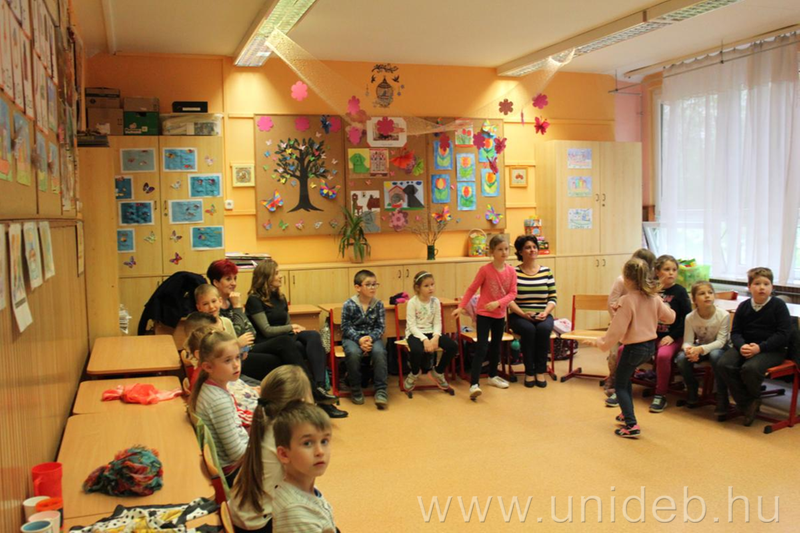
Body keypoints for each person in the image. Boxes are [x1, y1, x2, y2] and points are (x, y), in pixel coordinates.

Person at [583, 259, 675, 438]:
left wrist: (600, 342)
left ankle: (631, 425)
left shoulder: (627, 300)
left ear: (626, 279)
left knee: (620, 385)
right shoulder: (654, 298)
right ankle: (626, 413)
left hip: (633, 348)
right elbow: (670, 318)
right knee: (625, 380)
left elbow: (616, 331)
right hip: (650, 348)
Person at [245, 260, 345, 418]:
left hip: (283, 339)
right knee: (287, 342)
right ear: (266, 276)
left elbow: (286, 323)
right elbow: (267, 330)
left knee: (313, 335)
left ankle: (320, 389)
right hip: (266, 342)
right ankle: (315, 392)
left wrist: (291, 329)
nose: (280, 276)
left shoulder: (280, 297)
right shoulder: (254, 300)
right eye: (276, 273)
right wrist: (291, 328)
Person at [229, 366, 314, 533]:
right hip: (258, 524)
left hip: (242, 515)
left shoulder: (265, 418)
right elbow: (304, 494)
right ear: (302, 402)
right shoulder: (289, 438)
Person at [716, 267, 792, 426]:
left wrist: (759, 348)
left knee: (750, 368)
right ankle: (749, 402)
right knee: (723, 364)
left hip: (771, 349)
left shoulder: (778, 306)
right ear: (749, 287)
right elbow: (736, 332)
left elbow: (783, 334)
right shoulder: (744, 306)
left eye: (766, 284)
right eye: (757, 283)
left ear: (772, 287)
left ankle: (749, 402)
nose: (762, 287)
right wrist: (742, 345)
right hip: (745, 346)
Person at [452, 234, 518, 400]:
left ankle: (492, 376)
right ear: (492, 252)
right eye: (500, 249)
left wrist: (498, 303)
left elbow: (513, 293)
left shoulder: (511, 271)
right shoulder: (485, 270)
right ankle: (474, 384)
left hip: (499, 314)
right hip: (483, 314)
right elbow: (471, 289)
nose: (504, 252)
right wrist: (461, 307)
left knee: (496, 346)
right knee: (482, 347)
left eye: (506, 249)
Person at [189, 330, 248, 486]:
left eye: (237, 357)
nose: (236, 364)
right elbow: (236, 454)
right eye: (227, 360)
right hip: (236, 471)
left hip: (237, 462)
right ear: (208, 367)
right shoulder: (218, 401)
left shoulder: (210, 387)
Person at [196, 283, 286, 384]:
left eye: (214, 301)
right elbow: (218, 353)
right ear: (199, 308)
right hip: (224, 371)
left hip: (237, 362)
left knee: (278, 355)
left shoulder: (226, 322)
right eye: (205, 304)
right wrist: (238, 344)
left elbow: (239, 347)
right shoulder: (201, 329)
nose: (211, 307)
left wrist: (243, 350)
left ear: (220, 301)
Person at [273, 402, 336, 533]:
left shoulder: (306, 489)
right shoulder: (296, 512)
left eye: (324, 441)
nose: (320, 452)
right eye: (307, 443)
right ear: (284, 454)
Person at [605, 248, 656, 406]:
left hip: (639, 329)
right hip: (621, 324)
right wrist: (619, 323)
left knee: (629, 357)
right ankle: (614, 378)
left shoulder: (650, 285)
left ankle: (622, 385)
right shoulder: (622, 281)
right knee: (615, 354)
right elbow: (611, 302)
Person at [507, 235, 556, 388]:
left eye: (534, 247)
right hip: (519, 315)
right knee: (528, 330)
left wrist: (545, 313)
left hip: (543, 314)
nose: (532, 250)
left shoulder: (546, 271)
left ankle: (540, 371)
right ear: (520, 252)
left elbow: (553, 298)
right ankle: (529, 371)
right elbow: (509, 300)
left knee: (544, 329)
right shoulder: (513, 272)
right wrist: (523, 314)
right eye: (528, 247)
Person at [675, 281, 731, 408]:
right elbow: (687, 341)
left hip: (721, 349)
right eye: (702, 293)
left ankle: (722, 394)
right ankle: (692, 388)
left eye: (710, 292)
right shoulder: (690, 317)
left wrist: (699, 349)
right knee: (682, 358)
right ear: (694, 299)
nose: (707, 296)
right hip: (702, 347)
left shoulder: (723, 315)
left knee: (715, 355)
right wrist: (689, 350)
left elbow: (721, 342)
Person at [649, 255, 691, 413]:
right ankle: (621, 389)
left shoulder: (680, 292)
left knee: (663, 356)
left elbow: (687, 318)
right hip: (650, 335)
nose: (671, 273)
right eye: (667, 269)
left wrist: (672, 336)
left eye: (674, 270)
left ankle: (660, 394)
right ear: (657, 271)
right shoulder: (651, 290)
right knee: (624, 349)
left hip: (673, 336)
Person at [403, 271, 458, 392]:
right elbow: (412, 326)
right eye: (426, 286)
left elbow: (437, 322)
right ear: (418, 288)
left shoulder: (435, 302)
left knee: (453, 346)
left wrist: (436, 337)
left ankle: (438, 371)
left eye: (432, 284)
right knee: (416, 350)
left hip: (432, 332)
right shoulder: (412, 302)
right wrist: (424, 340)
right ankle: (414, 373)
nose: (431, 288)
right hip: (415, 333)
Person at [341, 269, 388, 409]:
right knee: (353, 353)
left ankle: (381, 390)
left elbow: (380, 327)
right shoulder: (349, 304)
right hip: (352, 338)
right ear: (358, 287)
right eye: (368, 284)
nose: (372, 287)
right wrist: (359, 339)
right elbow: (345, 327)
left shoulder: (378, 304)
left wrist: (370, 339)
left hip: (372, 338)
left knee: (379, 352)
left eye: (374, 284)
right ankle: (355, 389)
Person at [208, 259, 258, 339]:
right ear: (216, 282)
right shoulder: (213, 307)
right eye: (228, 279)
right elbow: (233, 337)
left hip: (247, 345)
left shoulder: (232, 300)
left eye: (235, 278)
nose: (234, 283)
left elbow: (252, 332)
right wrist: (237, 308)